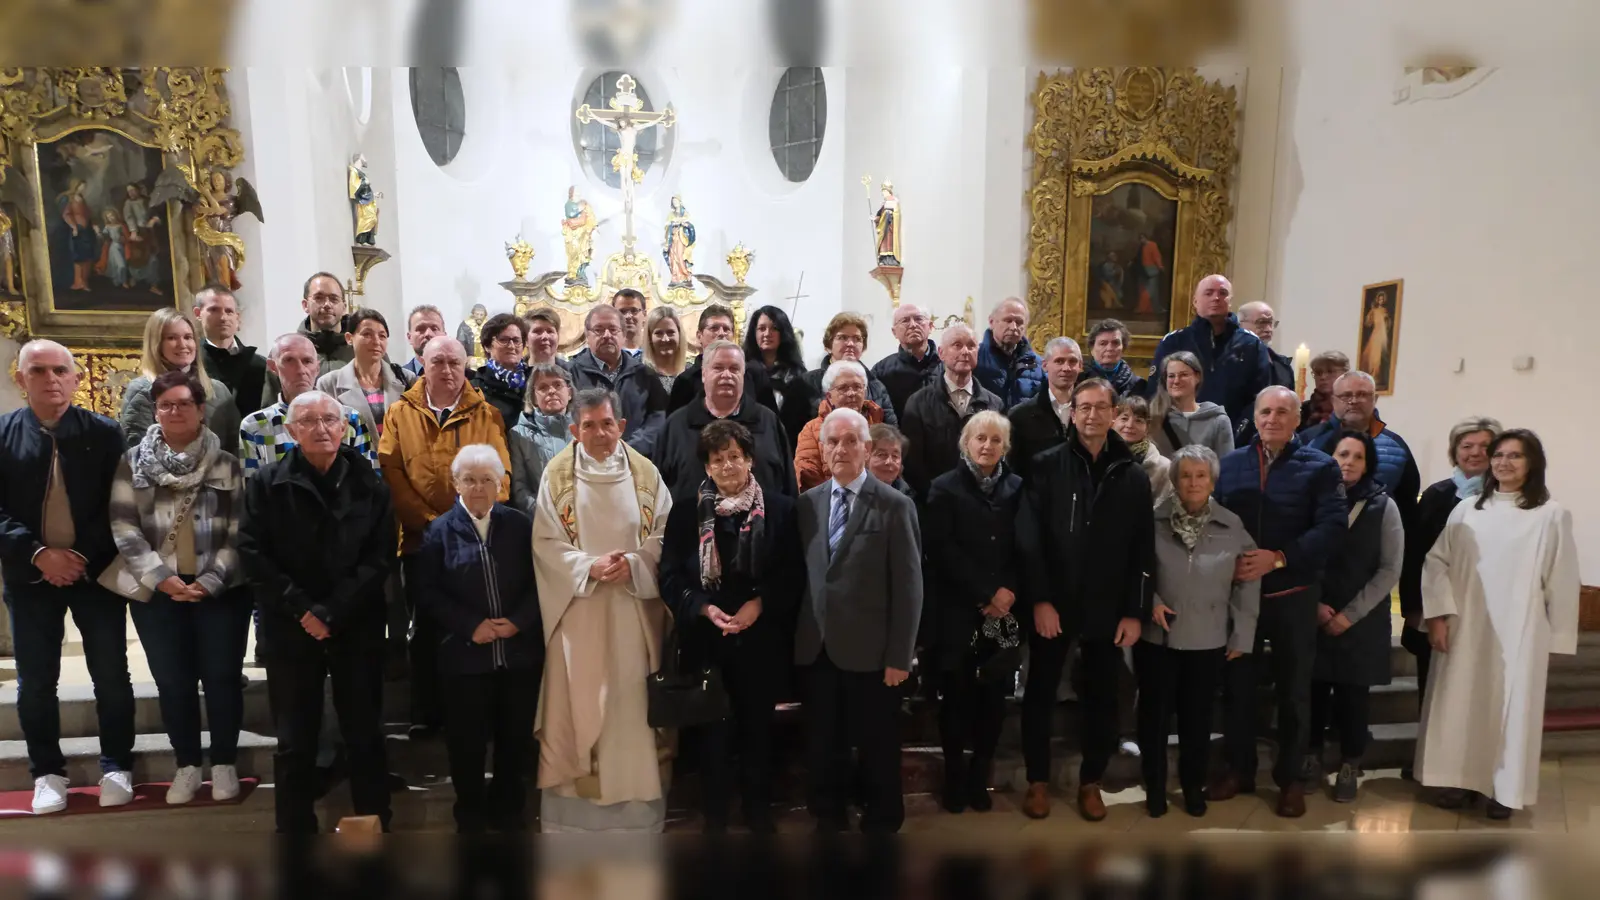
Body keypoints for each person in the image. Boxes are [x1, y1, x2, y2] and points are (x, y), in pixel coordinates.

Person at [238, 390, 397, 833]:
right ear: (290, 432)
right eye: (308, 421)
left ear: (344, 427)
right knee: (295, 739)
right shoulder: (266, 484)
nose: (321, 428)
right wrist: (304, 609)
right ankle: (295, 833)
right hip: (290, 625)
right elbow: (253, 554)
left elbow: (379, 557)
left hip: (356, 622)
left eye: (329, 419)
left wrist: (332, 610)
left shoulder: (371, 483)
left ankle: (373, 826)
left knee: (364, 732)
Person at [0, 341, 136, 814]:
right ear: (21, 380)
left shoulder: (105, 432)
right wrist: (38, 554)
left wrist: (77, 555)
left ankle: (117, 764)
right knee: (36, 681)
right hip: (28, 575)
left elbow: (120, 505)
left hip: (94, 571)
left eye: (61, 370)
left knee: (112, 676)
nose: (51, 378)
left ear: (76, 379)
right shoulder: (2, 434)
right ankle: (47, 773)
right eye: (38, 370)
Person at [531, 389, 674, 832]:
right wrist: (588, 566)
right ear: (573, 430)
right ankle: (576, 816)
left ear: (622, 426)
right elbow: (546, 544)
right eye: (588, 425)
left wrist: (633, 565)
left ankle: (637, 808)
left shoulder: (646, 475)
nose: (599, 433)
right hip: (580, 609)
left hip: (634, 613)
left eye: (606, 424)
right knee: (582, 701)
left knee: (631, 704)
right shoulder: (556, 477)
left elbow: (665, 536)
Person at [1418, 429, 1579, 820]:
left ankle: (1503, 790)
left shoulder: (1550, 515)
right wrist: (1438, 615)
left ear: (1532, 463)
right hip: (1466, 624)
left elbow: (1562, 578)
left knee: (1510, 708)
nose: (1504, 463)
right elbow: (1436, 563)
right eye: (1499, 455)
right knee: (1461, 704)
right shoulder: (1467, 509)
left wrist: (1556, 638)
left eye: (1515, 456)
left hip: (1520, 631)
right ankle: (1458, 780)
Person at [109, 369, 248, 805]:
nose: (174, 411)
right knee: (173, 680)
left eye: (183, 403)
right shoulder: (132, 463)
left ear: (200, 409)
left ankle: (224, 762)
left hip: (220, 589)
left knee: (222, 677)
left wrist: (209, 581)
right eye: (165, 405)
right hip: (158, 590)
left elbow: (240, 532)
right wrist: (161, 579)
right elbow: (123, 526)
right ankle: (187, 764)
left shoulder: (226, 463)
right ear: (155, 410)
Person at [1016, 378, 1153, 822]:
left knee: (1103, 698)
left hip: (1107, 607)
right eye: (1084, 408)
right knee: (1040, 692)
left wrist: (1134, 610)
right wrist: (1039, 600)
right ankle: (1037, 780)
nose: (1092, 415)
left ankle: (1091, 781)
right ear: (1071, 414)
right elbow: (1029, 540)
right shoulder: (1045, 465)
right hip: (1054, 604)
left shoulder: (1131, 474)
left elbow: (1142, 548)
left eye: (1101, 407)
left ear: (1115, 414)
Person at [659, 420, 804, 833]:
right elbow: (670, 577)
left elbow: (793, 573)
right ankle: (716, 816)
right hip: (708, 642)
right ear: (707, 466)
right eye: (717, 459)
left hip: (762, 640)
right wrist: (704, 609)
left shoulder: (781, 509)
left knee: (759, 733)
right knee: (712, 737)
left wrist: (759, 605)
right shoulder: (686, 513)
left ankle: (759, 813)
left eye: (734, 457)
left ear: (750, 460)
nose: (727, 466)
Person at [1209, 386, 1347, 818]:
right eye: (1265, 411)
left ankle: (1290, 780)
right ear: (1254, 415)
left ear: (1296, 418)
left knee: (1293, 692)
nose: (1272, 418)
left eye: (1282, 411)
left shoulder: (1320, 467)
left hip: (1293, 595)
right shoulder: (1230, 465)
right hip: (1241, 597)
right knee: (1238, 690)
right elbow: (1213, 520)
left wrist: (1281, 558)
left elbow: (1333, 526)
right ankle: (1239, 769)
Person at [795, 407, 923, 833]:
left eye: (852, 441)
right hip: (818, 647)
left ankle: (883, 818)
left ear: (868, 449)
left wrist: (900, 656)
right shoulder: (808, 506)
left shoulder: (895, 506)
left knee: (878, 745)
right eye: (833, 441)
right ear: (823, 448)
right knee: (823, 743)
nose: (842, 449)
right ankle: (829, 815)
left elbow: (909, 587)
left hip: (874, 652)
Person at [380, 336, 512, 734]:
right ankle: (427, 714)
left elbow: (500, 479)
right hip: (421, 540)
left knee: (473, 624)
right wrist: (431, 522)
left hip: (477, 542)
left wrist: (463, 523)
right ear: (422, 362)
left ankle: (477, 717)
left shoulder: (486, 414)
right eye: (438, 361)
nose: (448, 370)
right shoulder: (399, 413)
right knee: (425, 629)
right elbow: (392, 474)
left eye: (455, 362)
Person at [415, 444, 542, 834]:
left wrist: (519, 621)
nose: (478, 488)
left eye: (488, 479)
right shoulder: (437, 531)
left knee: (515, 744)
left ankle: (509, 816)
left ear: (502, 484)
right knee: (467, 748)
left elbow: (543, 582)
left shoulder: (520, 526)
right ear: (455, 484)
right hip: (464, 660)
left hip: (518, 658)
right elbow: (427, 592)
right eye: (469, 480)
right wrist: (471, 625)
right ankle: (469, 818)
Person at [1140, 445, 1258, 818]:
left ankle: (1192, 787)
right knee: (1154, 721)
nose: (1193, 482)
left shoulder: (1231, 524)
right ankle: (1155, 789)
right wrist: (1150, 600)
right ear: (1174, 480)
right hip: (1159, 637)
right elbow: (1135, 569)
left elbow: (1248, 581)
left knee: (1197, 722)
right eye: (1185, 475)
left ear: (1212, 480)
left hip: (1208, 638)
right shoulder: (1151, 521)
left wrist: (1243, 634)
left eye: (1200, 475)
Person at [922, 411, 1022, 815]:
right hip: (959, 611)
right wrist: (985, 593)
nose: (987, 446)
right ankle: (955, 778)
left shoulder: (1017, 488)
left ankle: (980, 776)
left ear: (1005, 447)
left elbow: (1025, 545)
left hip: (1003, 611)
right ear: (966, 442)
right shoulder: (943, 488)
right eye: (980, 438)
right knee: (957, 700)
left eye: (995, 440)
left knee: (994, 700)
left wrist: (1008, 593)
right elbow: (941, 549)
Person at [1397, 416, 1502, 778]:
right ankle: (1432, 764)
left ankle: (1476, 766)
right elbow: (1416, 555)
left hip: (1487, 611)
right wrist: (1414, 608)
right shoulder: (1438, 495)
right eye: (1466, 446)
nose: (1475, 453)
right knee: (1435, 690)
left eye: (1484, 447)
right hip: (1438, 609)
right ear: (1454, 452)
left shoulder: (1508, 497)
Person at [1307, 430, 1402, 804]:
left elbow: (1390, 568)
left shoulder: (1383, 506)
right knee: (1312, 693)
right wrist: (1313, 605)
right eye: (1342, 454)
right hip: (1314, 612)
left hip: (1360, 620)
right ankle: (1310, 757)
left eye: (1357, 457)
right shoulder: (1312, 498)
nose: (1348, 462)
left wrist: (1349, 615)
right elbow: (1301, 555)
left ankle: (1350, 763)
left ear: (1368, 463)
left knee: (1352, 698)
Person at [653, 340, 796, 505]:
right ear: (704, 374)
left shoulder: (768, 422)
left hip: (762, 527)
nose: (726, 375)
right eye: (718, 368)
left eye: (734, 369)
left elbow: (788, 488)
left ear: (743, 375)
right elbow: (657, 490)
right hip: (691, 528)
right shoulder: (676, 426)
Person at [1147, 275, 1273, 432]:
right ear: (1195, 302)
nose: (1216, 298)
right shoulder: (1174, 342)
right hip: (1179, 435)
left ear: (1230, 300)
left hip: (1234, 436)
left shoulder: (1251, 344)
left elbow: (1260, 397)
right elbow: (1156, 393)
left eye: (1223, 293)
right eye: (1208, 293)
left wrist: (1239, 432)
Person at [1300, 370, 1421, 533]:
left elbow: (1407, 507)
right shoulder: (1309, 440)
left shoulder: (1396, 447)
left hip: (1371, 540)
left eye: (1362, 394)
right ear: (1334, 401)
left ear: (1375, 399)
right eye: (1346, 395)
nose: (1354, 401)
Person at [241, 334, 376, 473]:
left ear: (317, 367)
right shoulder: (255, 425)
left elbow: (369, 482)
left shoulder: (350, 419)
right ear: (273, 366)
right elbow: (254, 489)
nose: (300, 370)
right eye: (289, 360)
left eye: (307, 361)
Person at [901, 323, 1004, 498]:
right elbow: (913, 463)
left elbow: (1000, 457)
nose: (965, 351)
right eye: (957, 345)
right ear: (941, 353)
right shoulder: (918, 403)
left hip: (981, 502)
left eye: (971, 346)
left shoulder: (993, 404)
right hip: (935, 502)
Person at [120, 308, 240, 452]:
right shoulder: (142, 390)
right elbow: (138, 453)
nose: (182, 345)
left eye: (188, 337)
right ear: (156, 344)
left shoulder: (218, 390)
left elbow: (234, 448)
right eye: (171, 338)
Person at [567, 305, 670, 456]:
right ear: (587, 336)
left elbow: (657, 418)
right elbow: (565, 419)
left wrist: (629, 448)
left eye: (613, 329)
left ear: (623, 335)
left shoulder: (644, 374)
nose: (607, 335)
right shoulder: (570, 373)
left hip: (635, 459)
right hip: (586, 460)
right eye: (599, 330)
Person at [317, 309, 417, 442]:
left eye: (382, 336)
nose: (376, 341)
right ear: (349, 338)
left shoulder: (406, 378)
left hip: (399, 461)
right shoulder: (329, 383)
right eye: (367, 334)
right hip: (354, 459)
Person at [666, 303, 779, 418]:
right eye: (714, 328)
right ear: (699, 336)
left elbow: (770, 422)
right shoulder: (685, 381)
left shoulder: (754, 374)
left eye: (726, 329)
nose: (721, 333)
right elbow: (676, 427)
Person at [794, 360, 885, 493]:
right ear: (829, 396)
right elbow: (807, 474)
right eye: (843, 388)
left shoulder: (878, 425)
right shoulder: (812, 430)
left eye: (857, 387)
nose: (851, 393)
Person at [743, 305, 817, 453]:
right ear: (754, 333)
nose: (767, 333)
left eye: (774, 328)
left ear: (783, 333)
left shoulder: (798, 375)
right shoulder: (744, 373)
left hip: (791, 450)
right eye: (761, 328)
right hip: (754, 450)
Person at [1006, 336, 1082, 481]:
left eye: (1072, 361)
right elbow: (1013, 470)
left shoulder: (1089, 412)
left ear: (1080, 365)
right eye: (1059, 361)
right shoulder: (1020, 415)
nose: (1066, 368)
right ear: (1045, 365)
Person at [802, 312, 898, 424]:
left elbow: (890, 431)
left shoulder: (876, 386)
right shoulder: (806, 383)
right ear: (829, 344)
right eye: (842, 337)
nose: (851, 343)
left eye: (857, 338)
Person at [508, 363, 575, 516]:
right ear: (534, 398)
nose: (551, 391)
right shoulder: (519, 435)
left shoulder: (585, 430)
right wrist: (547, 516)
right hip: (543, 522)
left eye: (558, 385)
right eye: (543, 388)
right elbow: (520, 489)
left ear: (569, 393)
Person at [194, 285, 268, 416]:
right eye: (214, 310)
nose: (223, 318)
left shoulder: (260, 364)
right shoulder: (192, 364)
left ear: (237, 316)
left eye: (229, 311)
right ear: (198, 313)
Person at [1148, 351, 1235, 460]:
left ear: (1197, 377)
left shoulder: (1217, 420)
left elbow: (1226, 466)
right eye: (1171, 376)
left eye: (1183, 375)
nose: (1176, 381)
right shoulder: (1153, 417)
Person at [871, 303, 943, 415]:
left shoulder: (947, 365)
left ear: (930, 326)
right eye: (905, 321)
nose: (913, 325)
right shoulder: (881, 370)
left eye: (918, 319)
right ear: (894, 332)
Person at [468, 312, 531, 434]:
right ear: (487, 346)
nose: (512, 346)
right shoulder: (474, 389)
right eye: (504, 340)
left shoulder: (536, 380)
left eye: (516, 340)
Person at [975, 298, 1044, 408]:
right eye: (1008, 320)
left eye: (1019, 322)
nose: (1013, 327)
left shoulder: (1039, 365)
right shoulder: (974, 358)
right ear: (991, 322)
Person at [1114, 394, 1170, 502]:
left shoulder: (1163, 468)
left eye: (1138, 421)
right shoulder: (1099, 457)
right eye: (1124, 418)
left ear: (1147, 426)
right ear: (1113, 421)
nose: (1130, 425)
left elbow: (1162, 510)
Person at [298, 272, 353, 376]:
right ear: (305, 305)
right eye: (319, 298)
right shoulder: (287, 350)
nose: (327, 304)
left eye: (334, 299)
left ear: (344, 307)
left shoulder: (365, 348)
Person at [1083, 318, 1146, 396]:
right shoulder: (1078, 380)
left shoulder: (1138, 385)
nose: (1109, 348)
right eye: (1103, 343)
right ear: (1092, 349)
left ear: (1124, 348)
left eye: (1115, 343)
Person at [1238, 301, 1294, 389]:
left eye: (1270, 323)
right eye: (1261, 322)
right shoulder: (1233, 361)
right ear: (1241, 325)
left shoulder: (1283, 364)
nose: (1268, 329)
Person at [1300, 350, 1350, 433]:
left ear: (1345, 374)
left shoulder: (1353, 405)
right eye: (1318, 373)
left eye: (1330, 371)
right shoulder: (1304, 409)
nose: (1323, 377)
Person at [642, 305, 687, 393]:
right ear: (649, 337)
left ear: (679, 334)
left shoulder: (691, 373)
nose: (665, 339)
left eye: (670, 332)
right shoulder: (639, 374)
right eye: (659, 333)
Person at [867, 423, 915, 499]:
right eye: (882, 455)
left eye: (895, 456)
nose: (889, 462)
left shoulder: (906, 498)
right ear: (865, 458)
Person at [401, 304, 448, 379]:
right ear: (409, 337)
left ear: (445, 336)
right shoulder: (397, 379)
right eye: (420, 328)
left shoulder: (465, 378)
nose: (428, 334)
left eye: (434, 328)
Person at [612, 287, 649, 358]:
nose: (628, 316)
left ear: (644, 314)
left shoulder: (655, 354)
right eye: (622, 311)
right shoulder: (604, 354)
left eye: (634, 310)